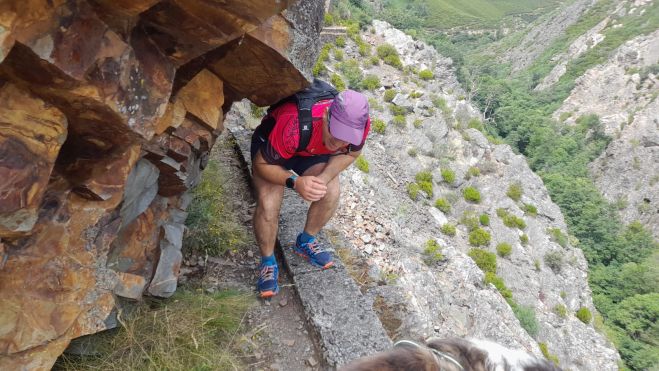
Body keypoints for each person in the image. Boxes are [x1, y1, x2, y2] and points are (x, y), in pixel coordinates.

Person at [250, 89, 371, 298]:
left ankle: (305, 241)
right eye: (336, 134)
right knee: (269, 205)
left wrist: (322, 180)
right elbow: (261, 165)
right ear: (325, 117)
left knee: (330, 191)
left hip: (310, 150)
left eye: (346, 138)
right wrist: (295, 182)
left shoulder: (360, 126)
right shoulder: (295, 122)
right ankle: (268, 261)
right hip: (273, 150)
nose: (340, 143)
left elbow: (352, 153)